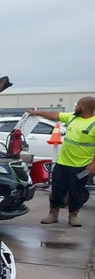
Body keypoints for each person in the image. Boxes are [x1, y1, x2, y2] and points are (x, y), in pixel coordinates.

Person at [29, 97, 95, 226]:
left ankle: (73, 215)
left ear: (83, 107)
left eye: (77, 105)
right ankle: (53, 214)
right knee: (57, 189)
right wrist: (37, 113)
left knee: (76, 191)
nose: (75, 107)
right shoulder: (73, 117)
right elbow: (55, 115)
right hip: (62, 164)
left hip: (81, 166)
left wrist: (93, 164)